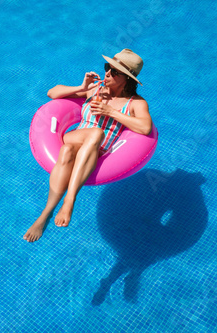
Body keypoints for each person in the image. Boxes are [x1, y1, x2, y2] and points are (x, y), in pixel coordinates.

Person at [23, 49, 153, 243]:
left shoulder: (135, 103)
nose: (107, 73)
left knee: (67, 151)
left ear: (127, 78)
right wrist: (81, 86)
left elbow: (145, 127)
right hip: (75, 138)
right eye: (108, 68)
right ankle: (70, 200)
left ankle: (45, 215)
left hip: (92, 152)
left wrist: (110, 112)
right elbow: (52, 92)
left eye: (114, 71)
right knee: (96, 133)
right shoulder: (96, 89)